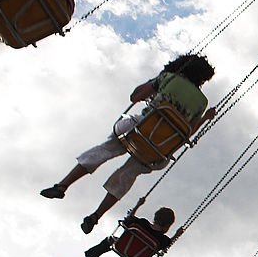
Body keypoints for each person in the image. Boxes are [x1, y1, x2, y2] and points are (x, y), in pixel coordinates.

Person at [40, 54, 216, 234]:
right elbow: (189, 131)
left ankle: (62, 186)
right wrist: (205, 118)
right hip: (159, 148)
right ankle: (96, 216)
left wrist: (157, 79)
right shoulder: (202, 102)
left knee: (106, 149)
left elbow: (135, 96)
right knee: (128, 174)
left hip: (138, 130)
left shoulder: (168, 78)